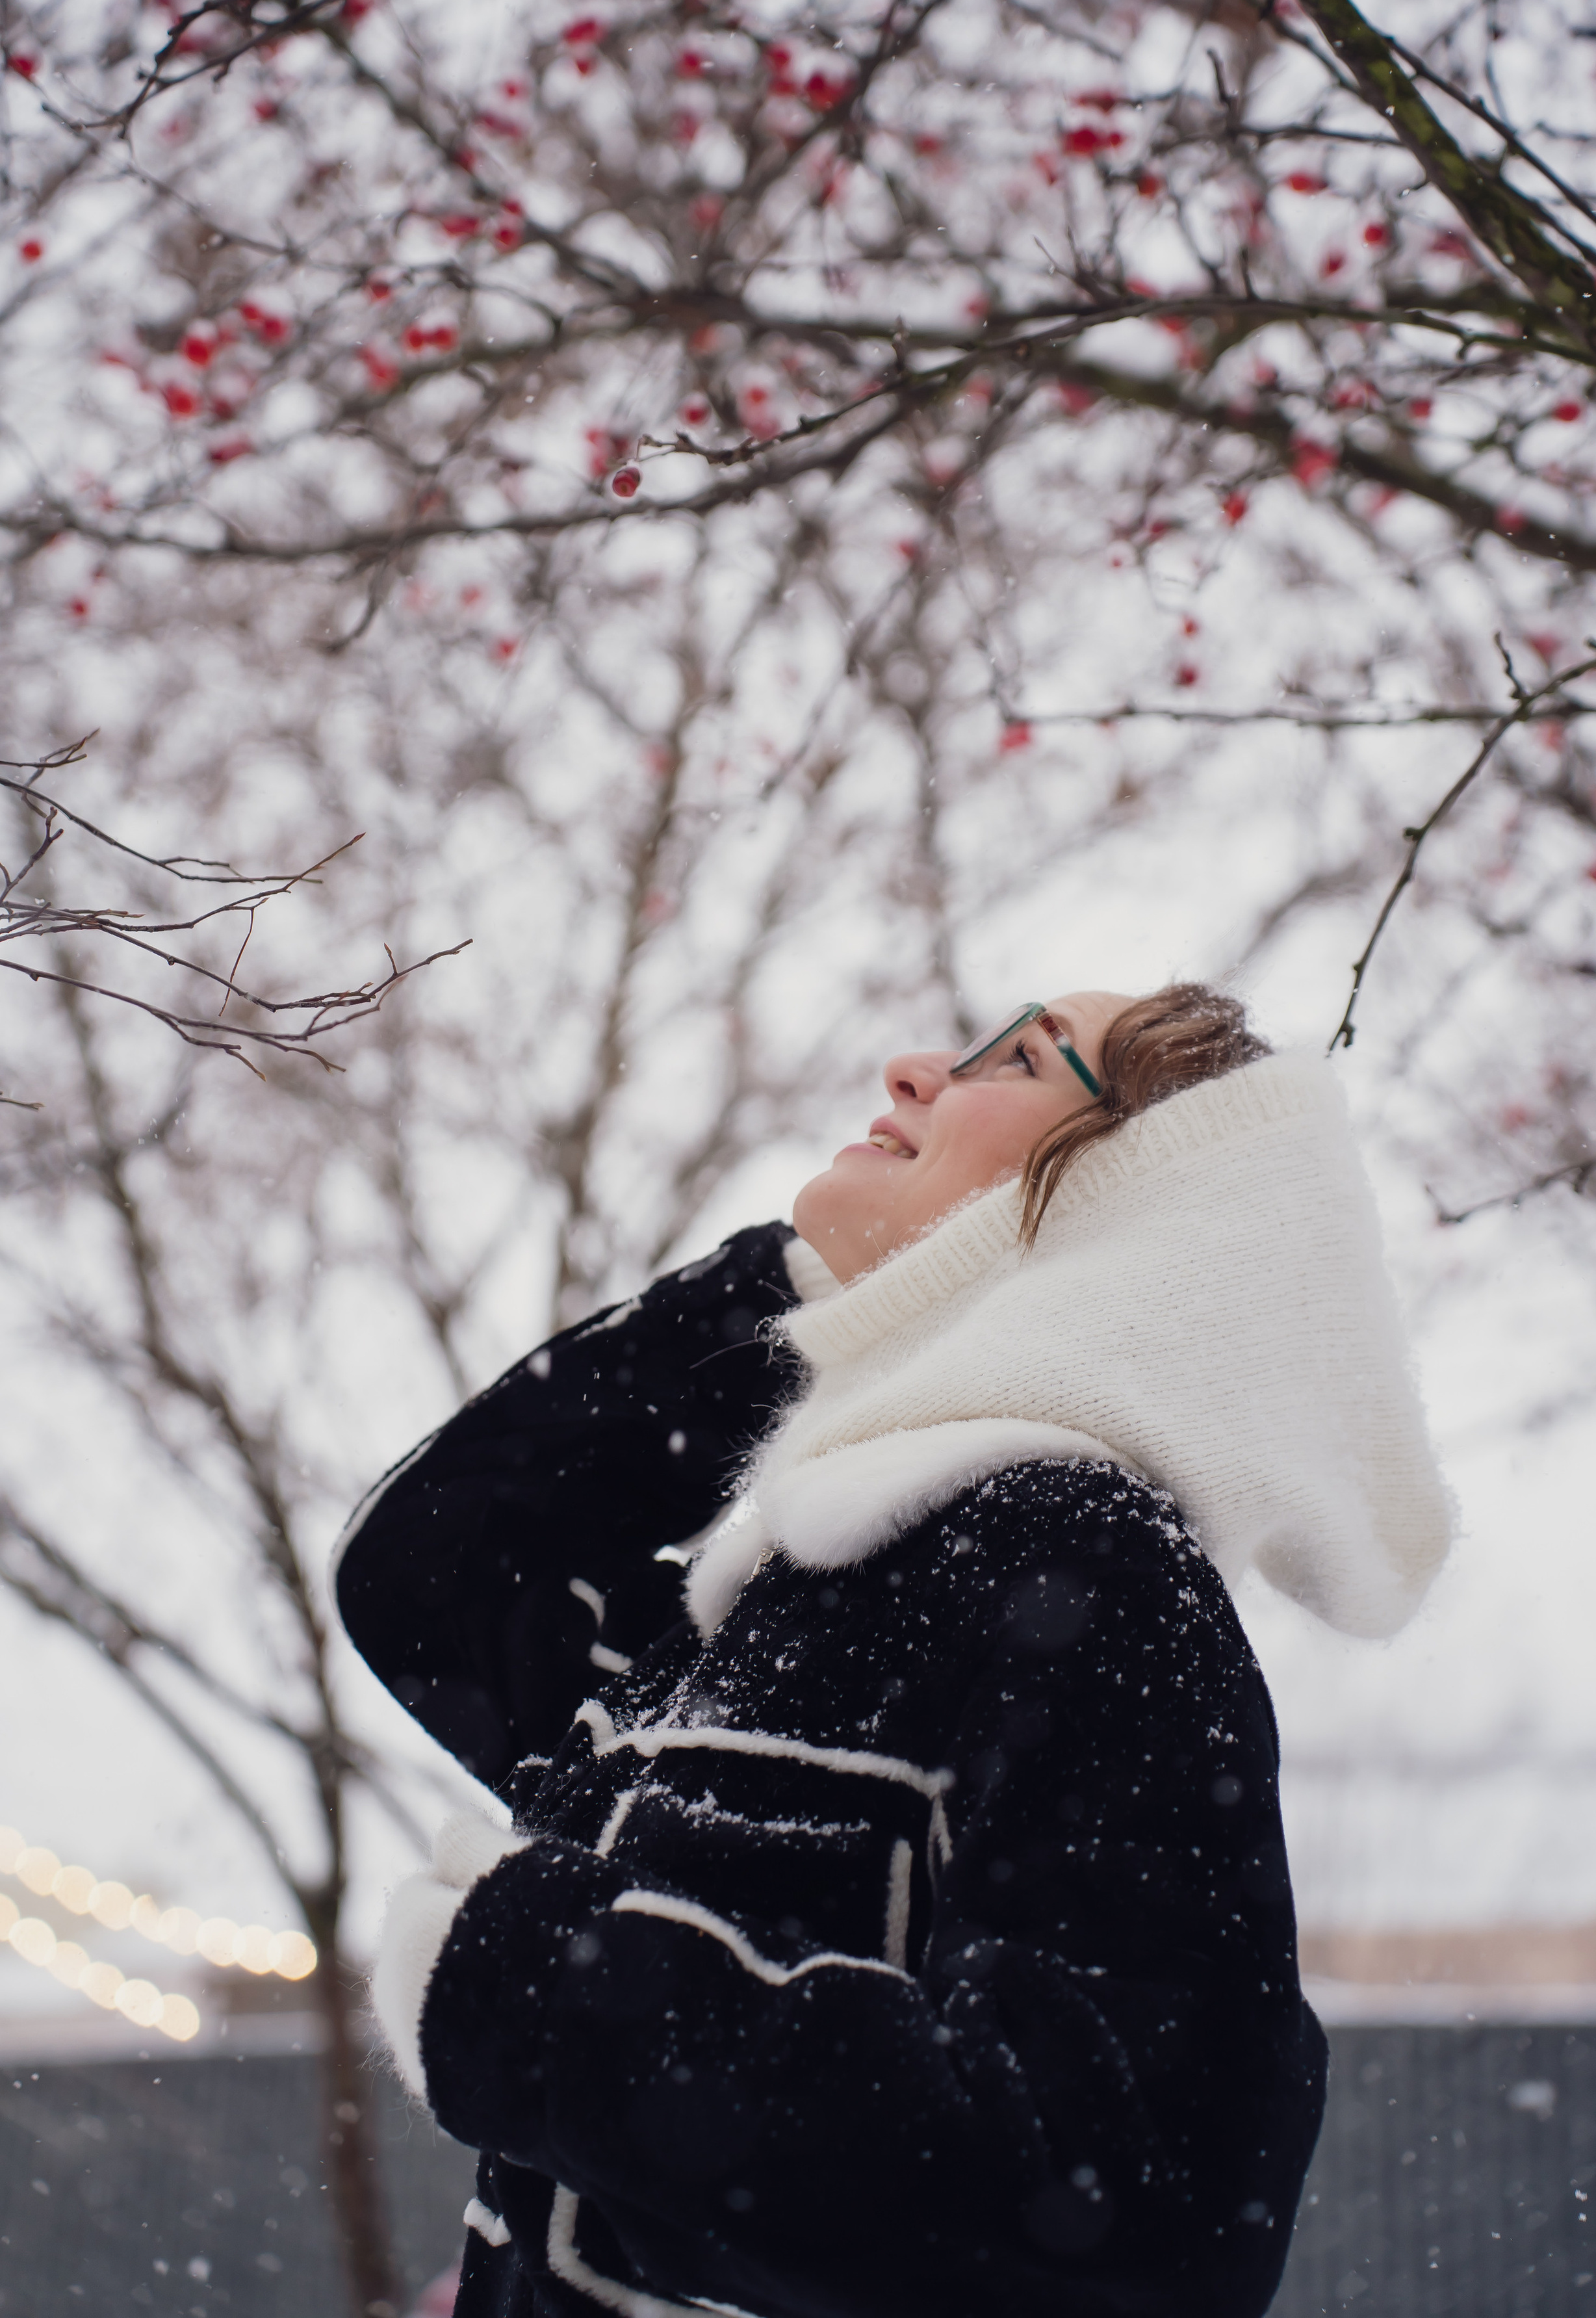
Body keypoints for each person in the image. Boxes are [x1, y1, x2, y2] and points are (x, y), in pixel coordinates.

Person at [334, 982, 1452, 2318]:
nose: (914, 1067)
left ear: (1129, 1202)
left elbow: (1128, 2212)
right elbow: (442, 1564)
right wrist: (839, 1298)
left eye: (1015, 1061)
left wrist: (547, 2004)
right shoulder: (792, 1594)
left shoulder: (1082, 1570)